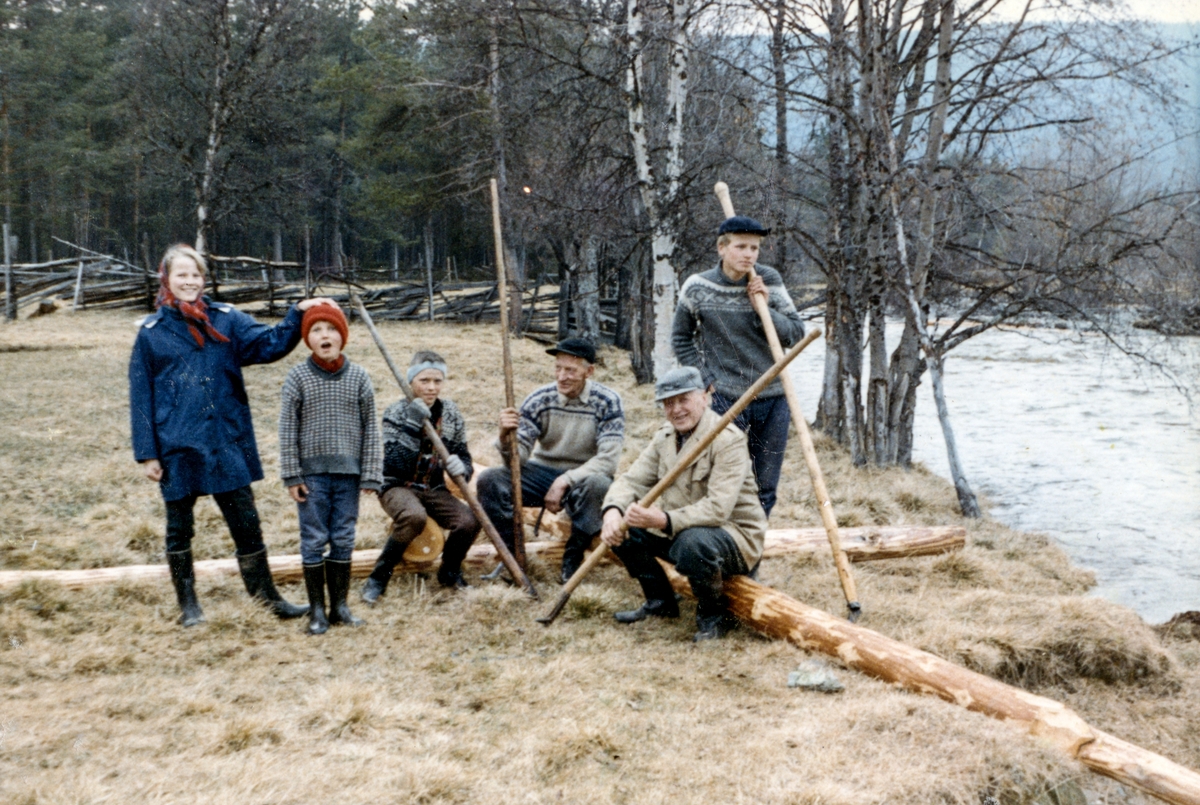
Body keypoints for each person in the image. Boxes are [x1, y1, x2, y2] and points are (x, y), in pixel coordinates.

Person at [129, 244, 335, 627]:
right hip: (177, 444)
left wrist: (297, 314)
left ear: (204, 279)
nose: (189, 282)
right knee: (179, 529)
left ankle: (266, 597)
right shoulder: (151, 334)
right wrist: (147, 453)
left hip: (225, 439)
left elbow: (268, 345)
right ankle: (189, 606)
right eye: (181, 275)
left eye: (195, 275)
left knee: (246, 523)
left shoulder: (227, 320)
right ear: (167, 280)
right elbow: (141, 396)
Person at [600, 366, 766, 641]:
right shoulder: (665, 436)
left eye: (683, 400)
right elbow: (631, 481)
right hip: (680, 529)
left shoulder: (727, 440)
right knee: (622, 530)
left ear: (705, 396)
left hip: (733, 537)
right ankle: (660, 602)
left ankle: (714, 618)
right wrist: (612, 512)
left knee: (693, 542)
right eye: (668, 403)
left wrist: (662, 520)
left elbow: (717, 509)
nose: (676, 410)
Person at [670, 216, 805, 517]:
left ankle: (750, 557)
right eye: (741, 246)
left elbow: (796, 335)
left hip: (772, 398)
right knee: (717, 478)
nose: (749, 254)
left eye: (754, 248)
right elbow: (680, 337)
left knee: (764, 485)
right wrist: (704, 380)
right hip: (723, 397)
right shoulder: (698, 286)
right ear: (721, 248)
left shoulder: (768, 280)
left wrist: (764, 308)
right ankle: (712, 550)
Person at [476, 337, 624, 583]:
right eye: (558, 368)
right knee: (490, 480)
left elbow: (608, 460)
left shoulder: (608, 401)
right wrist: (504, 437)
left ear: (589, 371)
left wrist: (565, 480)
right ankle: (513, 558)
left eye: (570, 370)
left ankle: (572, 558)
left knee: (600, 484)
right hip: (542, 472)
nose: (562, 376)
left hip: (584, 477)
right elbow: (517, 459)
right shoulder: (540, 398)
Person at [279, 303, 381, 635]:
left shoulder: (359, 377)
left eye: (332, 329)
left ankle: (340, 607)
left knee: (343, 537)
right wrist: (292, 474)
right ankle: (317, 612)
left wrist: (370, 473)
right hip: (311, 476)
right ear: (308, 339)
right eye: (317, 330)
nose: (325, 336)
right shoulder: (298, 377)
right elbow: (286, 430)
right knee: (313, 538)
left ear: (343, 336)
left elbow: (372, 429)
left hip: (349, 475)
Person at [362, 350, 480, 602]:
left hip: (433, 488)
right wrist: (413, 425)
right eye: (424, 381)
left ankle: (449, 571)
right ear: (411, 381)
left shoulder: (451, 413)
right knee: (414, 517)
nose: (431, 387)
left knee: (469, 520)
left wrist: (463, 467)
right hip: (397, 486)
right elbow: (395, 464)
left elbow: (463, 454)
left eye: (437, 381)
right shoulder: (395, 412)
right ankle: (379, 576)